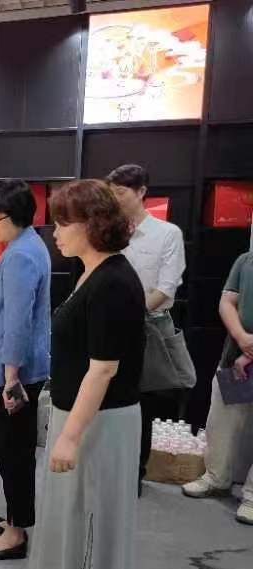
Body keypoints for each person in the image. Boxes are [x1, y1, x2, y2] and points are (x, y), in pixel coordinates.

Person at [29, 180, 146, 569]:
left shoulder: (112, 281)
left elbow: (103, 370)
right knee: (74, 519)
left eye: (63, 223)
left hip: (99, 422)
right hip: (81, 414)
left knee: (92, 518)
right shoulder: (91, 273)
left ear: (93, 225)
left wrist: (70, 436)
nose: (55, 233)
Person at [0, 179, 51, 561]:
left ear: (14, 217)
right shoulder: (27, 245)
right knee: (14, 448)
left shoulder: (20, 256)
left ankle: (16, 533)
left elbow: (17, 323)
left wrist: (10, 378)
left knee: (13, 452)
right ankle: (15, 518)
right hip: (11, 367)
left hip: (12, 373)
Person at [106, 164, 189, 494]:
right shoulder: (109, 231)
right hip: (107, 325)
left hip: (146, 328)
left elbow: (166, 288)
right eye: (111, 193)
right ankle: (109, 469)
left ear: (141, 192)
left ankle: (133, 475)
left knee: (140, 403)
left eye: (120, 193)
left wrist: (131, 315)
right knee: (106, 399)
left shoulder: (167, 233)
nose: (115, 199)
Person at [182, 250, 253, 526]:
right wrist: (242, 338)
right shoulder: (245, 261)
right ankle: (216, 478)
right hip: (236, 358)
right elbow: (227, 301)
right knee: (222, 421)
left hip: (245, 357)